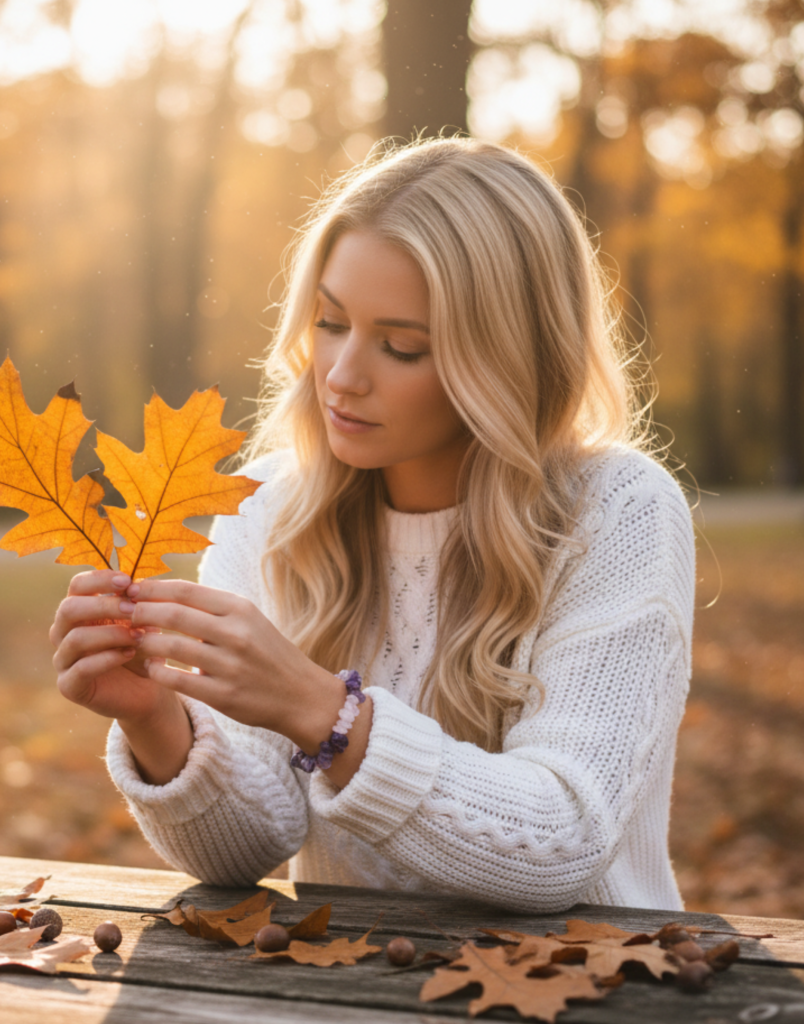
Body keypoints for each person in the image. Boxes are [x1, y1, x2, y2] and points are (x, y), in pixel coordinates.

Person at [49, 137, 695, 913]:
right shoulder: (268, 506)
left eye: (401, 346)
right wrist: (157, 720)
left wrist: (325, 713)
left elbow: (561, 842)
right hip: (350, 986)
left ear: (506, 362)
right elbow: (245, 847)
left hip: (594, 986)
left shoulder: (618, 509)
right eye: (329, 322)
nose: (342, 375)